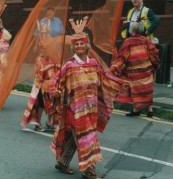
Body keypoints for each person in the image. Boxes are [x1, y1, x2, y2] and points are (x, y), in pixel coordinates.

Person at [50, 34, 127, 179]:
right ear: (73, 47)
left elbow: (105, 77)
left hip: (91, 109)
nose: (79, 46)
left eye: (82, 43)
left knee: (76, 138)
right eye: (76, 44)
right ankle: (90, 172)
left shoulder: (93, 63)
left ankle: (62, 162)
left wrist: (120, 83)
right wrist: (55, 92)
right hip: (75, 110)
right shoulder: (69, 65)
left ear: (87, 45)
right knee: (86, 139)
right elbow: (56, 83)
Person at [111, 21, 160, 117]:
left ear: (132, 30)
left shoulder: (128, 41)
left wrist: (115, 66)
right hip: (147, 69)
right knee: (147, 90)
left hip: (134, 71)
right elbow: (154, 52)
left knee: (136, 90)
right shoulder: (146, 40)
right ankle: (150, 110)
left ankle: (136, 109)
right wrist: (155, 64)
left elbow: (122, 56)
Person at [20, 49, 60, 132]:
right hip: (41, 86)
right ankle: (37, 123)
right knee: (40, 105)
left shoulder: (54, 59)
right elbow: (39, 71)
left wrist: (58, 66)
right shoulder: (39, 59)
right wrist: (51, 67)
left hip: (52, 86)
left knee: (52, 105)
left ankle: (49, 123)